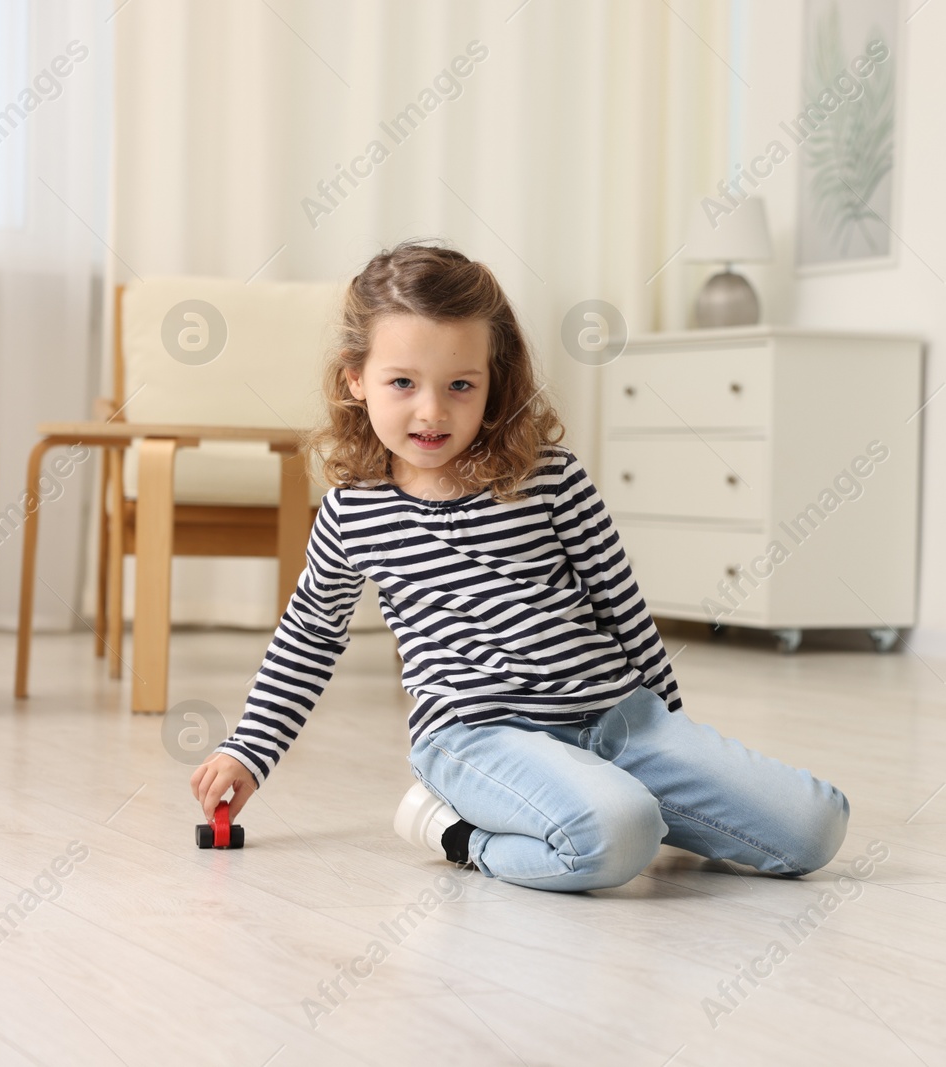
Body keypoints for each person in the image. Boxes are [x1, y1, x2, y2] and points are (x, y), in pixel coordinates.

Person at [189, 240, 850, 892]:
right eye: (402, 382)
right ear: (354, 379)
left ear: (492, 382)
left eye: (460, 385)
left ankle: (629, 808)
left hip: (618, 718)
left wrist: (673, 732)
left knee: (816, 825)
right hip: (476, 737)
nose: (432, 410)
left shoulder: (552, 479)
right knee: (620, 836)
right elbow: (309, 638)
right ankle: (457, 832)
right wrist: (249, 750)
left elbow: (621, 606)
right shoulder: (350, 513)